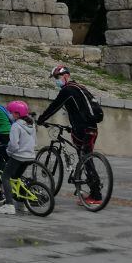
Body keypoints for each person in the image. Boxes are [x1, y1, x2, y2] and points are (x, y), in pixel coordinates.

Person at [36, 65, 104, 205]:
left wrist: (41, 119)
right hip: (92, 128)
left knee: (86, 159)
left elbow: (54, 106)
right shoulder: (80, 88)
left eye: (57, 77)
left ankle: (96, 195)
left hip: (82, 129)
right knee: (86, 158)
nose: (56, 81)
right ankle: (93, 191)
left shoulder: (67, 90)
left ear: (66, 76)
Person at [0, 100, 37, 216]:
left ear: (17, 114)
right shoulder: (31, 124)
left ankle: (9, 205)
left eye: (10, 112)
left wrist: (8, 152)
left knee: (5, 177)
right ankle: (21, 203)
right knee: (16, 178)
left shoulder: (15, 126)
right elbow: (35, 141)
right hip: (30, 156)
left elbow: (14, 144)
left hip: (18, 156)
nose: (9, 114)